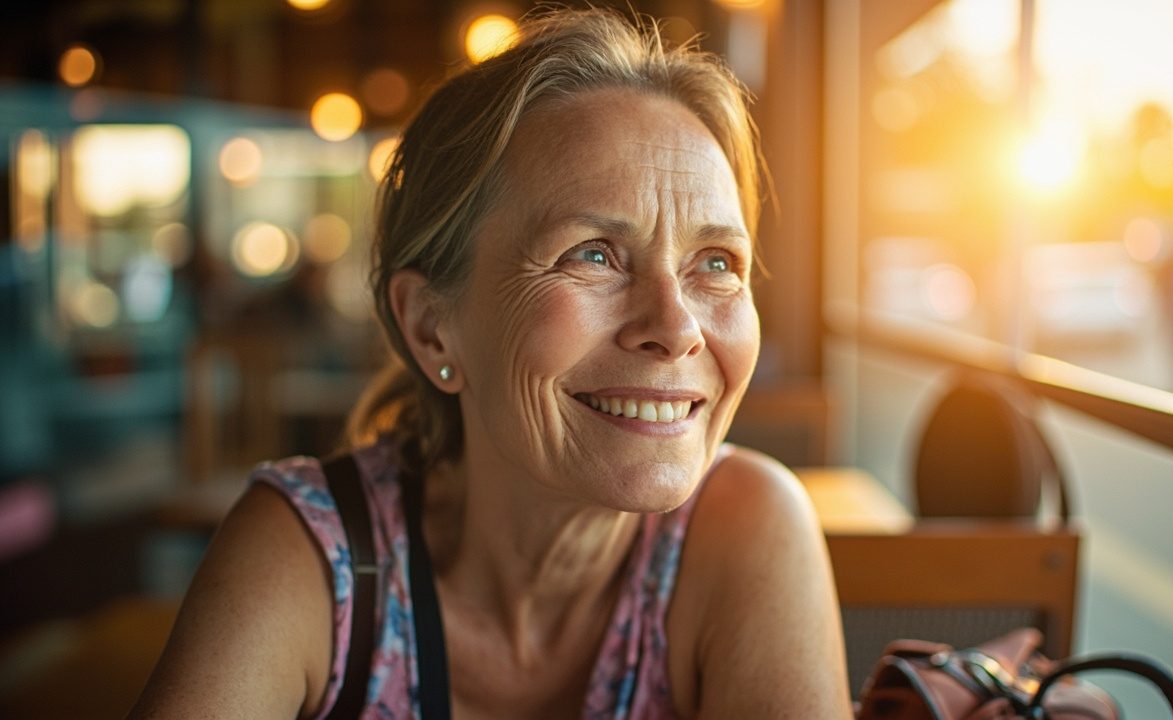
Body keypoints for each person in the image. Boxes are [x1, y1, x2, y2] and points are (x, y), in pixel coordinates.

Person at [131, 8, 850, 719]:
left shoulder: (745, 529)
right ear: (431, 328)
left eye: (716, 263)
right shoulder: (313, 555)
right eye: (593, 255)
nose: (676, 328)